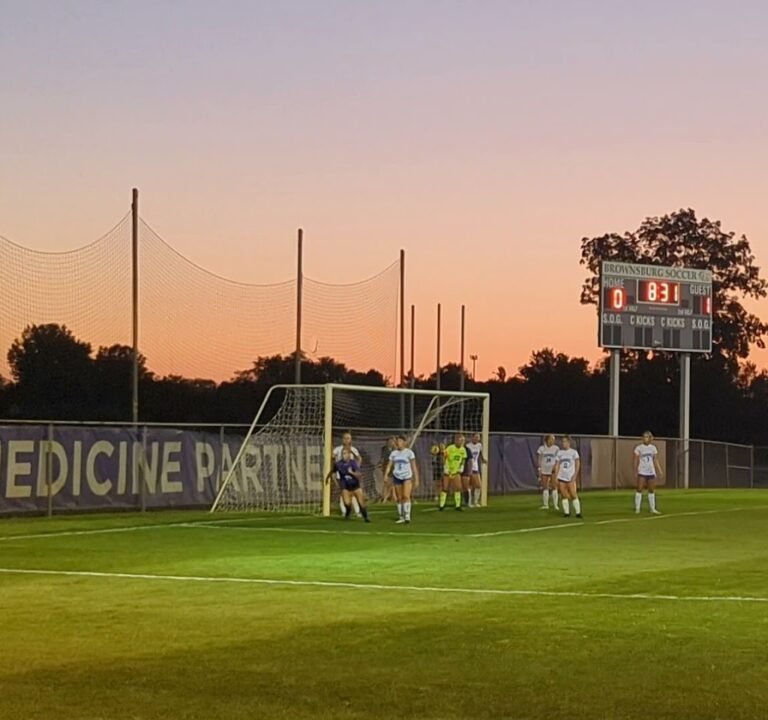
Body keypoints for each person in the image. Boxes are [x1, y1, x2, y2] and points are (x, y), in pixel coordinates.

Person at [326, 448, 370, 522]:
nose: (344, 455)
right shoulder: (338, 464)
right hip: (345, 486)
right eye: (343, 453)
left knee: (361, 502)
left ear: (349, 455)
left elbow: (359, 474)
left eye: (346, 453)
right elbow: (332, 471)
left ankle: (366, 518)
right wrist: (328, 479)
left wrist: (352, 472)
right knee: (347, 503)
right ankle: (347, 514)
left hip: (355, 486)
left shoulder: (353, 463)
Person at [385, 435, 418, 523]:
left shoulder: (409, 453)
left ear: (404, 442)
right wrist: (386, 474)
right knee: (399, 497)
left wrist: (416, 478)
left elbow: (414, 466)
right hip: (397, 476)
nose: (398, 443)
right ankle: (401, 516)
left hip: (407, 476)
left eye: (399, 441)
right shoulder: (393, 453)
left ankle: (407, 515)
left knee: (406, 496)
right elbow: (389, 465)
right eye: (397, 441)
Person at [333, 432, 362, 517]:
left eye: (348, 438)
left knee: (353, 492)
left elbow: (359, 458)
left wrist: (356, 468)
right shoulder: (338, 449)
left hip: (351, 474)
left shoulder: (353, 449)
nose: (346, 440)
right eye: (345, 438)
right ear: (342, 439)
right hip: (341, 474)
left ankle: (356, 510)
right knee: (343, 492)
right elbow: (333, 458)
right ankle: (344, 510)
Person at [553, 435, 582, 518]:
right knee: (563, 494)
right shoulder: (559, 453)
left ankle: (578, 512)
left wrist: (575, 475)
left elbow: (577, 464)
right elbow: (557, 465)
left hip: (570, 476)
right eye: (562, 441)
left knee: (573, 494)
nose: (563, 443)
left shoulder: (574, 452)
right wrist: (556, 476)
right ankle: (566, 512)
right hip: (562, 476)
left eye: (565, 441)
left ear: (569, 442)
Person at [634, 431, 663, 515]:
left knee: (651, 490)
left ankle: (652, 508)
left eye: (647, 437)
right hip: (642, 470)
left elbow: (655, 460)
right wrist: (635, 470)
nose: (645, 438)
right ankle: (637, 508)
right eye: (644, 437)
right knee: (639, 489)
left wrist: (659, 470)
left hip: (651, 471)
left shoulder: (653, 448)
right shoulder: (639, 448)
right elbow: (635, 460)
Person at [440, 433, 467, 511]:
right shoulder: (450, 448)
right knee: (445, 488)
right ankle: (442, 505)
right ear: (456, 440)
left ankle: (458, 505)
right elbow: (444, 457)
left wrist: (461, 467)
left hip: (456, 471)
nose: (462, 442)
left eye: (463, 440)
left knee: (458, 488)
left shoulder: (463, 450)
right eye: (460, 440)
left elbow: (463, 459)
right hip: (448, 471)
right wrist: (445, 467)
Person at [536, 435, 560, 510]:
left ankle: (555, 505)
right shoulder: (542, 448)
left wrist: (555, 468)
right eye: (551, 439)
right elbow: (540, 459)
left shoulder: (556, 448)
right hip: (544, 469)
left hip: (552, 469)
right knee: (545, 486)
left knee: (554, 486)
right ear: (547, 440)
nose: (553, 441)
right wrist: (539, 468)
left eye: (554, 439)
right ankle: (546, 505)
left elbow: (557, 460)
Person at [465, 433, 486, 507]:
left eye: (478, 437)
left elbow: (479, 454)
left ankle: (476, 502)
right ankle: (469, 502)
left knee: (478, 486)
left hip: (476, 468)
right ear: (472, 437)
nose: (477, 438)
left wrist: (483, 459)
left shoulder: (479, 445)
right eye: (475, 437)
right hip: (468, 468)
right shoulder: (468, 446)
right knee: (469, 486)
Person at [376, 436, 397, 503]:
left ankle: (389, 497)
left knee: (392, 483)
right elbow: (383, 458)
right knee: (386, 483)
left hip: (394, 467)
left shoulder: (396, 449)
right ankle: (387, 497)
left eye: (392, 441)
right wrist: (380, 464)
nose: (391, 442)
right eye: (390, 441)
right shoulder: (384, 449)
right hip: (386, 467)